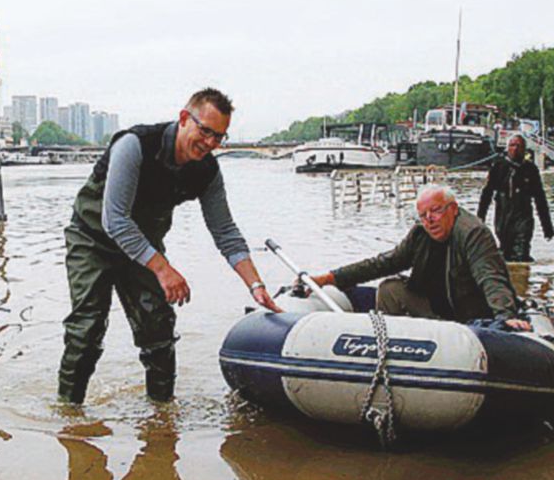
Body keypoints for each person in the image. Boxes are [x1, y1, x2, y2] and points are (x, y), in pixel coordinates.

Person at [58, 88, 280, 404]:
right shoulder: (134, 145)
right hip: (93, 240)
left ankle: (162, 417)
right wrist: (163, 269)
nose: (210, 144)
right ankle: (69, 414)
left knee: (158, 329)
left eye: (219, 137)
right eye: (205, 131)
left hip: (143, 246)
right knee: (88, 329)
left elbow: (225, 231)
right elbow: (115, 221)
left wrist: (255, 285)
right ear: (184, 118)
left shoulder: (207, 170)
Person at [310, 185, 528, 329]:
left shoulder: (473, 233)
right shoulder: (420, 234)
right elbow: (382, 263)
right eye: (423, 215)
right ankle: (393, 347)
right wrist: (329, 278)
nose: (429, 220)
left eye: (435, 211)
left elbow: (490, 278)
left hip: (466, 315)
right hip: (434, 306)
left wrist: (506, 317)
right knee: (389, 288)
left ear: (452, 209)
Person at [477, 134, 554, 262]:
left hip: (523, 217)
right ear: (507, 148)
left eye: (519, 146)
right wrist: (480, 219)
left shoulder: (531, 169)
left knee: (521, 255)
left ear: (524, 149)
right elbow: (487, 194)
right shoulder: (499, 167)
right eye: (512, 145)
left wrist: (547, 227)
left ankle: (523, 278)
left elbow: (540, 199)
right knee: (505, 256)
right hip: (503, 217)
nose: (515, 149)